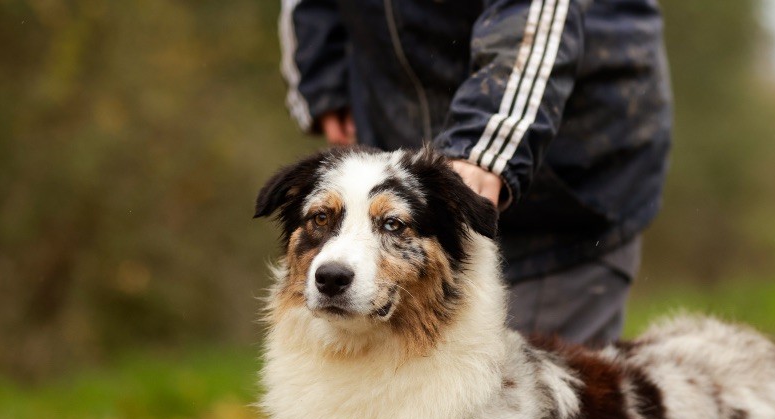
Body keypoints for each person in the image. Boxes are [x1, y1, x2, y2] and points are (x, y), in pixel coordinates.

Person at [278, 0, 672, 347]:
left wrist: (485, 151)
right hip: (400, 131)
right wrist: (324, 84)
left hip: (562, 182)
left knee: (535, 412)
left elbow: (531, 20)